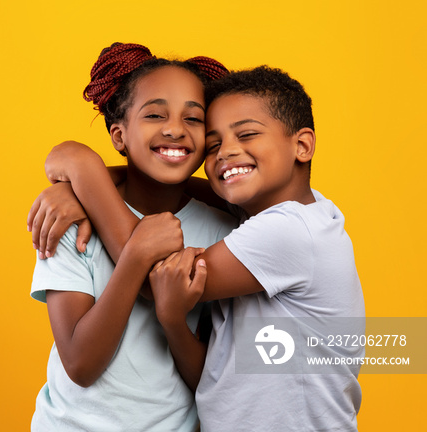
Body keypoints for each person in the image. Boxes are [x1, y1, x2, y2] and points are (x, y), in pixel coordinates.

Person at [31, 66, 365, 431]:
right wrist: (85, 178)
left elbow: (156, 276)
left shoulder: (286, 230)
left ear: (302, 145)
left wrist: (84, 169)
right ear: (119, 134)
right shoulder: (273, 218)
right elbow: (213, 377)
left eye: (248, 134)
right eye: (214, 143)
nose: (227, 153)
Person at [28, 43, 236, 431]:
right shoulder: (71, 221)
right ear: (119, 135)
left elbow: (212, 377)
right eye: (155, 114)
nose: (175, 128)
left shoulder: (224, 231)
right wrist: (136, 254)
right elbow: (79, 364)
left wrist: (83, 167)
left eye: (193, 119)